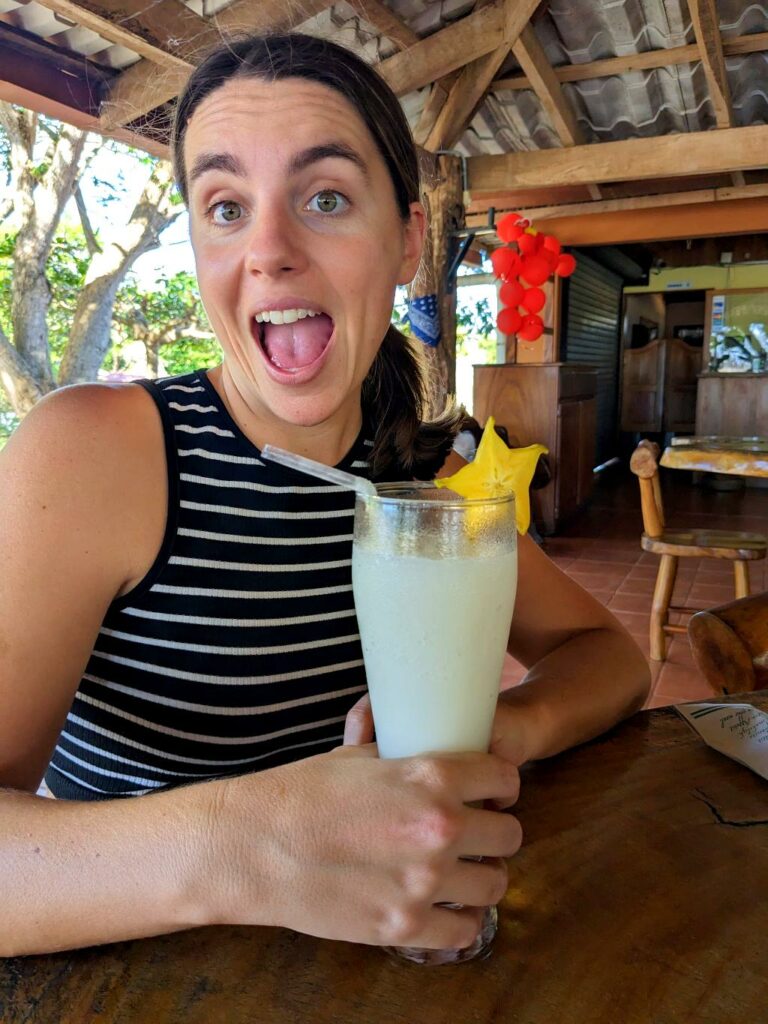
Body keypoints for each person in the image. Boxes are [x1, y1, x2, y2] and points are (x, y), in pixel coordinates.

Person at [0, 33, 650, 958]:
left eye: (327, 198)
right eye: (225, 207)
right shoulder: (98, 453)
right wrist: (253, 848)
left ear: (408, 240)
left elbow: (610, 656)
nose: (268, 250)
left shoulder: (428, 484)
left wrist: (504, 730)